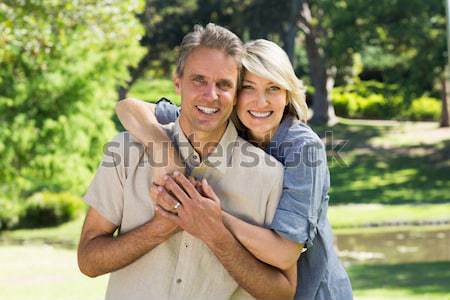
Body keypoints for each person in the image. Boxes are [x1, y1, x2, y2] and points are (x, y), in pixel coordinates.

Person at [117, 39, 353, 300]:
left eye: (273, 88)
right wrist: (164, 151)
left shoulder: (303, 149)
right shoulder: (223, 122)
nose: (260, 102)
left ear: (287, 94)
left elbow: (284, 252)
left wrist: (210, 215)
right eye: (248, 87)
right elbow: (129, 108)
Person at [77, 24, 297, 300]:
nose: (211, 95)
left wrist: (216, 234)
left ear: (237, 91)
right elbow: (88, 260)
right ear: (177, 82)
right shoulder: (125, 152)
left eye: (224, 84)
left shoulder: (269, 176)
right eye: (199, 80)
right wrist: (160, 228)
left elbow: (283, 293)